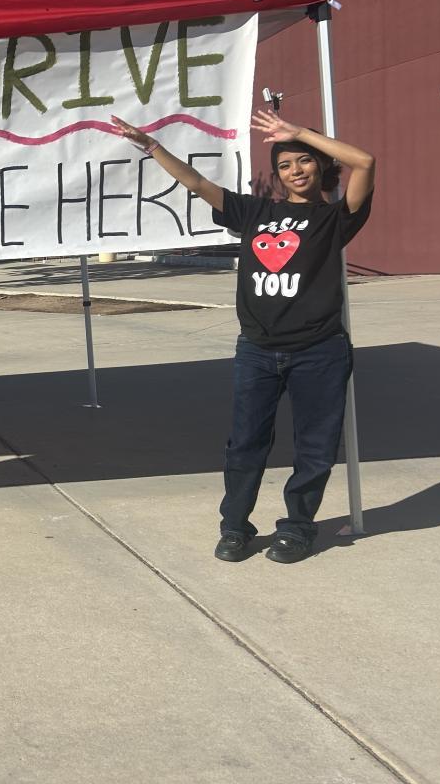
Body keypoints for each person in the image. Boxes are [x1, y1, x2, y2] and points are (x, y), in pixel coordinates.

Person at [111, 109, 376, 564]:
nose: (295, 170)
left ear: (320, 165)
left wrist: (299, 132)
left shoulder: (336, 217)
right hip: (257, 351)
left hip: (319, 351)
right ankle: (235, 527)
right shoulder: (255, 212)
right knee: (245, 444)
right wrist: (152, 147)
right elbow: (196, 183)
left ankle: (297, 528)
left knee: (315, 448)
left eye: (304, 160)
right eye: (285, 165)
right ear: (277, 176)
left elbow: (365, 162)